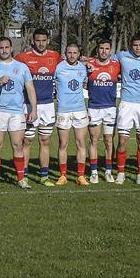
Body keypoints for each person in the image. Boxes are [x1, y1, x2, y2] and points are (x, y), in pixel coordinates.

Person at [0, 37, 37, 189]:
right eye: (1, 48)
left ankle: (21, 179)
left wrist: (34, 109)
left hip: (17, 112)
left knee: (18, 145)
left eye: (6, 47)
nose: (4, 50)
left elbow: (30, 89)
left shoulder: (22, 67)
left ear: (11, 48)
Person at [15, 29, 60, 185]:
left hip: (47, 105)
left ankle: (44, 175)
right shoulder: (23, 57)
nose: (41, 43)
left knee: (45, 140)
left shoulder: (55, 56)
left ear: (48, 40)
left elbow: (70, 63)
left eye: (43, 40)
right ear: (33, 41)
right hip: (28, 105)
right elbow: (9, 66)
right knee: (27, 141)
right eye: (38, 40)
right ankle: (24, 174)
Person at [113, 36, 140, 185]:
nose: (137, 48)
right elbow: (103, 58)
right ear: (131, 46)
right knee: (122, 140)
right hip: (126, 104)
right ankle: (121, 173)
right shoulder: (122, 56)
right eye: (135, 45)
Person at [53, 43, 91, 185]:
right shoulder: (59, 67)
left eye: (75, 53)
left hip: (80, 110)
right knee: (63, 143)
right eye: (69, 52)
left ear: (79, 54)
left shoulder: (83, 67)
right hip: (63, 110)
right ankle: (63, 175)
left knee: (81, 142)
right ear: (65, 53)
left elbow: (87, 83)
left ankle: (81, 175)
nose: (72, 55)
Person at [84, 40, 121, 184]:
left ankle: (108, 171)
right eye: (101, 48)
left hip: (110, 108)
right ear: (97, 50)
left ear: (110, 51)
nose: (104, 51)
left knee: (109, 141)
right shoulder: (90, 64)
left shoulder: (116, 65)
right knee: (93, 140)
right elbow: (75, 61)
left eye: (107, 49)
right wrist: (84, 62)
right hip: (94, 108)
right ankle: (93, 172)